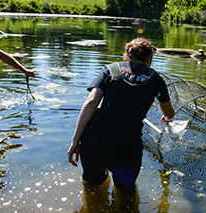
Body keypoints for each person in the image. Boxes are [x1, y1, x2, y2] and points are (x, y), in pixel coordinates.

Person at [67, 37, 175, 191]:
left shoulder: (110, 69)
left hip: (95, 142)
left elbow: (91, 102)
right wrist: (167, 117)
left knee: (93, 189)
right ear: (149, 58)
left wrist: (75, 141)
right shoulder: (156, 79)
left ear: (126, 56)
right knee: (125, 195)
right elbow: (169, 114)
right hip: (127, 146)